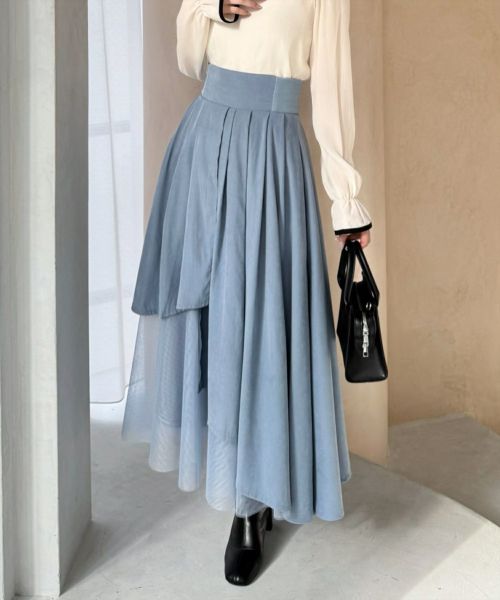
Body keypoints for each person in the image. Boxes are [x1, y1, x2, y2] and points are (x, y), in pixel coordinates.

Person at [121, 0, 373, 587]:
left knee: (260, 329)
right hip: (205, 143)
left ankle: (249, 507)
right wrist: (214, 6)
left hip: (272, 160)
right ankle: (238, 485)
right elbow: (189, 57)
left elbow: (332, 86)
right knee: (215, 323)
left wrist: (346, 201)